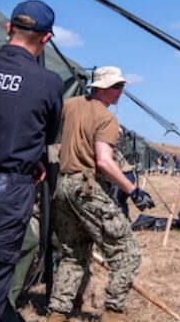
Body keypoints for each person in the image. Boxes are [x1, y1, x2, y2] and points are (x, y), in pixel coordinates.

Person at [0, 0, 64, 322]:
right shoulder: (48, 83)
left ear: (9, 28)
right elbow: (46, 138)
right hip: (7, 193)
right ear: (46, 38)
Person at [47, 66, 155, 322]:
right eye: (117, 87)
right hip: (86, 188)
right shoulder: (107, 119)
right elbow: (104, 162)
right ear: (103, 88)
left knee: (73, 254)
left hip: (63, 187)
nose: (120, 92)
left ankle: (57, 314)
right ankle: (113, 313)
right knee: (127, 253)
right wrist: (134, 190)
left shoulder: (70, 105)